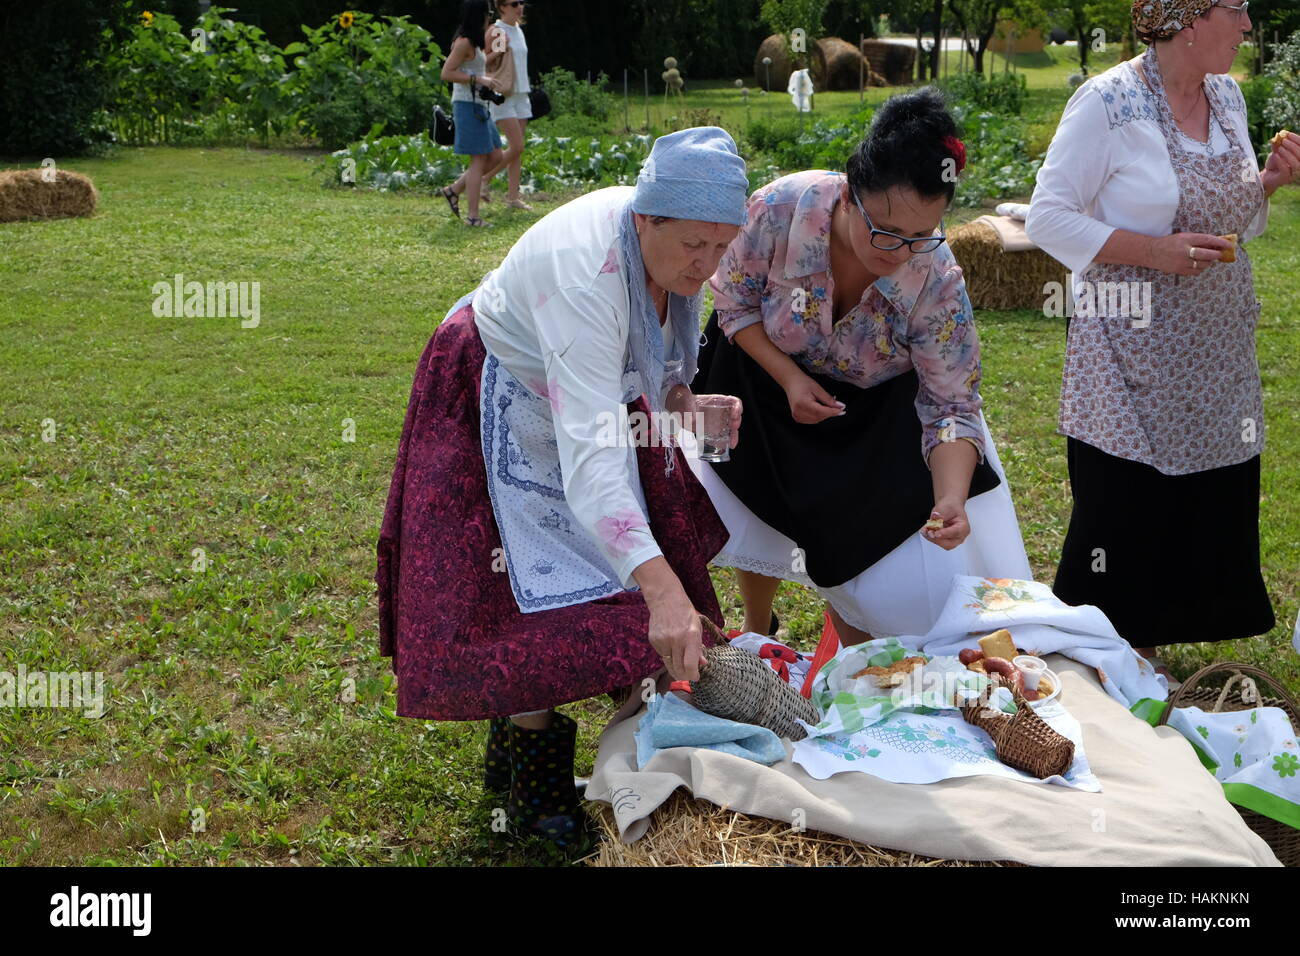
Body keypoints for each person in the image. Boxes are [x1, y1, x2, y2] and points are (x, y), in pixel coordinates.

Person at [375, 127, 749, 848]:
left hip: (578, 400)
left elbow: (656, 362)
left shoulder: (673, 260)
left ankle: (514, 756)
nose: (706, 265)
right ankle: (535, 794)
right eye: (694, 246)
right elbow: (591, 467)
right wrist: (662, 592)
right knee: (532, 582)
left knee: (596, 570)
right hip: (498, 387)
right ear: (646, 218)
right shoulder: (590, 278)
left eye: (721, 247)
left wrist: (682, 406)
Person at [694, 88, 1031, 644]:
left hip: (871, 411)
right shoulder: (781, 209)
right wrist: (789, 377)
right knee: (749, 497)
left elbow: (951, 403)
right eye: (884, 230)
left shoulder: (937, 279)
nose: (899, 252)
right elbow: (733, 302)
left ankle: (854, 648)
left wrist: (947, 498)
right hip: (759, 375)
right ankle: (757, 625)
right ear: (848, 195)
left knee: (859, 543)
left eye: (921, 236)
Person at [1025, 0, 1299, 674]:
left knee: (1200, 501)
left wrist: (1270, 182)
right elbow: (1046, 219)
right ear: (1188, 19)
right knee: (1128, 505)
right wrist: (1154, 253)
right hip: (1129, 351)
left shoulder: (1227, 98)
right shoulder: (1108, 103)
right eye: (1235, 10)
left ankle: (1153, 649)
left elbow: (1235, 222)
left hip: (1212, 352)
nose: (1246, 26)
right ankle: (1124, 654)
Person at [439, 0, 506, 227]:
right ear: (478, 16)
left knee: (496, 155)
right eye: (487, 13)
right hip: (467, 106)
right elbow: (447, 72)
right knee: (479, 159)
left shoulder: (475, 41)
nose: (490, 17)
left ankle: (454, 190)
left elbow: (472, 68)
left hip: (480, 105)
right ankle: (473, 217)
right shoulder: (464, 42)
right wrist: (480, 79)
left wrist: (487, 79)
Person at [482, 0, 534, 210]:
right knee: (517, 146)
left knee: (517, 150)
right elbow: (486, 62)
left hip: (521, 93)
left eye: (521, 3)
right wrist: (500, 48)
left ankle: (513, 197)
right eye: (514, 3)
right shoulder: (498, 30)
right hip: (504, 93)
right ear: (502, 7)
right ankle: (484, 178)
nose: (520, 7)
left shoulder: (518, 30)